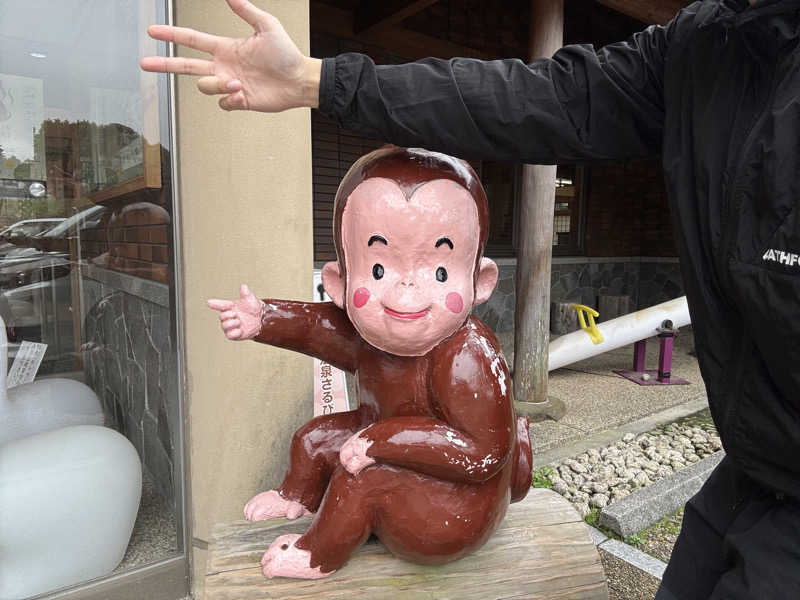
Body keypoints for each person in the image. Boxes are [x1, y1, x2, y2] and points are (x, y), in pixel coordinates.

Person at [141, 0, 800, 597]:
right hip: (752, 466)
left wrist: (385, 439)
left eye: (436, 270)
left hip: (457, 501)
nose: (404, 290)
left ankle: (320, 551)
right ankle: (299, 501)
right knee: (318, 436)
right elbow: (541, 97)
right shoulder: (710, 44)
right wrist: (265, 318)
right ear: (339, 282)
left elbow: (483, 451)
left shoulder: (467, 356)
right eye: (377, 264)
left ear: (480, 282)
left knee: (361, 474)